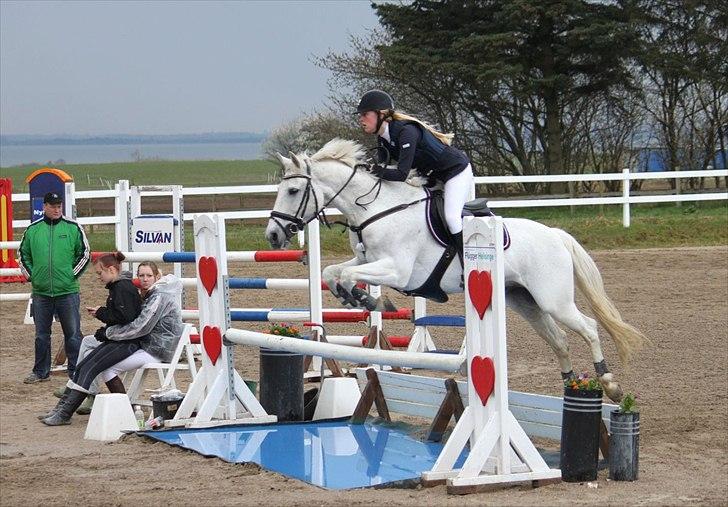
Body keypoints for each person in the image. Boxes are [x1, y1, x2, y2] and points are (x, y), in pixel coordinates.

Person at [40, 262, 185, 426]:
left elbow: (140, 326)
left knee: (103, 367)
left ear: (157, 277)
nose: (144, 279)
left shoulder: (159, 296)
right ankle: (64, 409)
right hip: (146, 343)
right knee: (90, 357)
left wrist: (109, 333)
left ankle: (68, 411)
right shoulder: (149, 293)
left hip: (156, 348)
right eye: (141, 275)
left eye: (149, 276)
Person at [355, 90, 475, 267]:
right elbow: (384, 171)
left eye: (365, 114)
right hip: (431, 177)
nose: (361, 119)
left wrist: (372, 170)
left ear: (382, 114)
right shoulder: (383, 138)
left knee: (452, 218)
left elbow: (401, 174)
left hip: (455, 172)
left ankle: (469, 264)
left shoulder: (406, 131)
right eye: (360, 115)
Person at [18, 191, 90, 384]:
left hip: (67, 291)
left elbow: (84, 254)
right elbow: (23, 255)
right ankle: (41, 371)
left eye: (59, 206)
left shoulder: (73, 228)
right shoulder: (32, 230)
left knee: (73, 334)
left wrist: (71, 275)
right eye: (53, 206)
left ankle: (76, 372)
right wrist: (33, 276)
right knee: (41, 335)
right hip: (41, 293)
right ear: (45, 207)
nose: (57, 209)